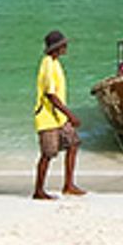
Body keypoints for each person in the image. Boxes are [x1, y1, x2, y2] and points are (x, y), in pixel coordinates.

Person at [32, 29, 85, 200]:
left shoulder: (55, 63)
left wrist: (65, 116)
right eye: (64, 44)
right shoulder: (47, 64)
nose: (66, 47)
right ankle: (38, 190)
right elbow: (50, 95)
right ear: (57, 47)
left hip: (59, 118)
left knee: (73, 143)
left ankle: (68, 185)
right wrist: (70, 115)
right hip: (47, 118)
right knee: (47, 155)